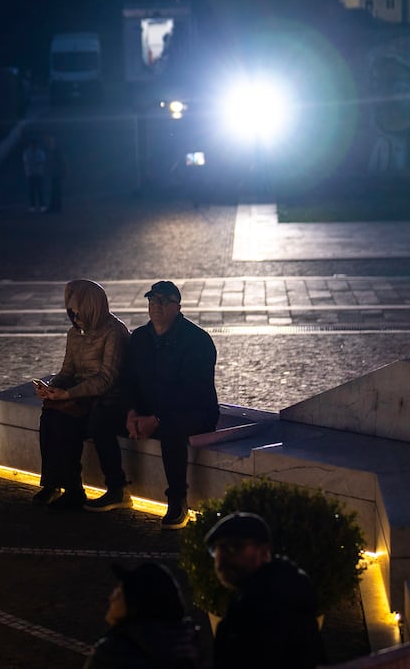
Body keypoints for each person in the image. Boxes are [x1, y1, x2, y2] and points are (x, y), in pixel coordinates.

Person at [109, 281, 217, 529]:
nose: (155, 306)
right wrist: (131, 412)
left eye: (162, 301)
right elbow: (129, 381)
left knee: (172, 431)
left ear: (177, 307)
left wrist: (157, 419)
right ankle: (116, 488)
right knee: (102, 416)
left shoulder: (197, 341)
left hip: (194, 412)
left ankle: (178, 501)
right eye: (151, 300)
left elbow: (193, 392)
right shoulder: (140, 338)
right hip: (147, 410)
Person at [32, 279, 130, 511]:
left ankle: (110, 488)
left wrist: (67, 394)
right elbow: (67, 370)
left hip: (107, 399)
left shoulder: (114, 332)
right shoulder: (74, 333)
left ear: (92, 308)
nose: (75, 318)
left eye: (78, 312)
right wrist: (52, 389)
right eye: (71, 312)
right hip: (80, 396)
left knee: (75, 423)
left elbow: (107, 379)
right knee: (50, 415)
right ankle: (60, 484)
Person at [205, 512, 326, 669]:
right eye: (216, 549)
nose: (222, 557)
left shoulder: (269, 605)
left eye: (233, 547)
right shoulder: (269, 592)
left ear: (263, 552)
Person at [83, 561, 200, 669]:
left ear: (134, 606)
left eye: (118, 594)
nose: (111, 598)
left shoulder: (111, 653)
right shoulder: (190, 647)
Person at [23, 138, 48, 211]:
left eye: (35, 145)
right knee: (31, 191)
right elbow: (27, 161)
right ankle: (32, 206)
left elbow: (42, 161)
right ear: (31, 145)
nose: (34, 146)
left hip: (38, 173)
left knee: (40, 190)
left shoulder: (40, 152)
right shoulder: (26, 152)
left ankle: (42, 205)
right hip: (30, 174)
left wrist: (34, 162)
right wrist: (36, 162)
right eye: (33, 145)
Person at [44, 133, 67, 213]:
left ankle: (56, 207)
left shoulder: (56, 150)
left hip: (57, 173)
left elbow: (62, 161)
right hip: (54, 173)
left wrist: (64, 171)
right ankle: (55, 206)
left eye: (48, 141)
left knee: (56, 191)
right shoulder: (52, 150)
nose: (47, 143)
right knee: (55, 191)